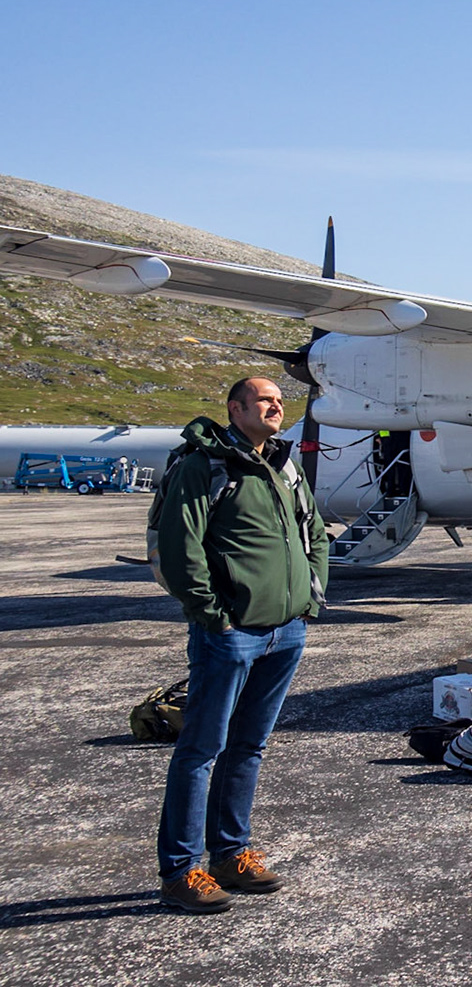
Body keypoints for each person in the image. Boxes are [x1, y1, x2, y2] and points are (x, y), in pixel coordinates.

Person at [153, 376, 327, 914]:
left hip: (286, 631)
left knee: (249, 745)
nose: (277, 406)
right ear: (235, 408)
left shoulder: (284, 464)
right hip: (231, 634)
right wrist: (214, 616)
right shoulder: (203, 466)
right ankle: (182, 871)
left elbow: (314, 533)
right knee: (201, 750)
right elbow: (181, 549)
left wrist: (309, 598)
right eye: (264, 400)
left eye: (280, 400)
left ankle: (231, 854)